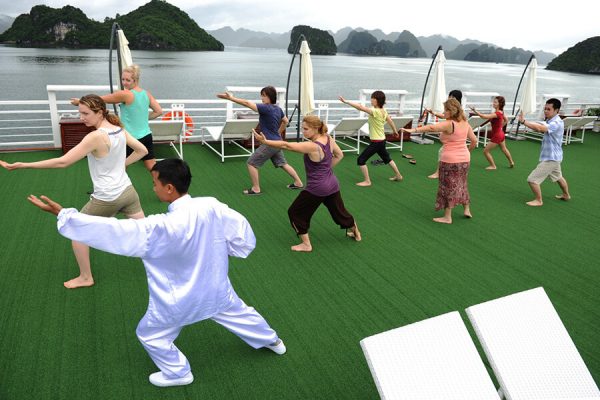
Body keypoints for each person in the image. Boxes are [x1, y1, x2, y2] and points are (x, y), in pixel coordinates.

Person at [26, 158, 286, 387]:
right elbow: (241, 233)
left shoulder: (160, 227)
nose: (153, 187)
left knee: (150, 333)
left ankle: (177, 373)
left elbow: (115, 231)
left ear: (169, 188)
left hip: (178, 300)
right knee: (240, 312)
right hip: (216, 288)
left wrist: (65, 215)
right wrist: (228, 248)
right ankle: (272, 341)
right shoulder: (211, 205)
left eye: (155, 183)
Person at [0, 94, 148, 288]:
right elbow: (142, 151)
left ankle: (86, 277)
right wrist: (121, 167)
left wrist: (23, 164)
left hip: (107, 197)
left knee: (77, 232)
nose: (81, 117)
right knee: (147, 233)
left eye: (85, 113)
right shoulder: (119, 130)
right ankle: (168, 262)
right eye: (80, 112)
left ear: (100, 112)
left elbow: (63, 162)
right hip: (128, 192)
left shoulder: (95, 137)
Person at [254, 115, 361, 252]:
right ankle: (356, 232)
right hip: (332, 184)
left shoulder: (313, 146)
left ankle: (306, 244)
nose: (303, 132)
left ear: (316, 128)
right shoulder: (328, 138)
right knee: (339, 213)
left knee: (295, 212)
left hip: (317, 188)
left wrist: (266, 141)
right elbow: (339, 155)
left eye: (305, 129)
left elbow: (287, 145)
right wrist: (325, 170)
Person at [71, 64, 162, 171]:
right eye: (123, 79)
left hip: (130, 138)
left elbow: (100, 99)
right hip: (146, 136)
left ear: (135, 80)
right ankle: (165, 186)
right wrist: (141, 118)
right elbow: (158, 111)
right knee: (152, 167)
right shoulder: (146, 94)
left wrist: (80, 102)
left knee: (120, 167)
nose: (124, 82)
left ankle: (120, 186)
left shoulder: (126, 94)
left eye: (128, 80)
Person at [402, 98, 477, 224]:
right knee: (462, 183)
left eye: (445, 110)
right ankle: (467, 209)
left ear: (451, 111)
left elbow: (432, 127)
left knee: (447, 187)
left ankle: (447, 217)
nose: (444, 112)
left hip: (450, 160)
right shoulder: (465, 123)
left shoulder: (450, 124)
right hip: (465, 159)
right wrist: (466, 152)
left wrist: (413, 130)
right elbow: (474, 141)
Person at [217, 87, 303, 195]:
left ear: (270, 97)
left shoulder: (265, 108)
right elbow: (285, 121)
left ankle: (256, 189)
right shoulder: (278, 109)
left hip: (269, 143)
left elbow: (247, 103)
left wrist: (231, 98)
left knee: (251, 163)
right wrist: (278, 132)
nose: (262, 98)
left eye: (264, 95)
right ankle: (298, 182)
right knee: (282, 163)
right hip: (278, 142)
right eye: (261, 95)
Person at [338, 91, 404, 186]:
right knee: (387, 158)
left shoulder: (375, 111)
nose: (371, 100)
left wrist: (346, 102)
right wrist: (395, 131)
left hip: (377, 142)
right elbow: (390, 121)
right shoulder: (383, 110)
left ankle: (367, 181)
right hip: (382, 140)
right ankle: (398, 175)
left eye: (373, 98)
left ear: (377, 100)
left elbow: (360, 108)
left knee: (361, 160)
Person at [519, 98, 570, 206]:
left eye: (548, 109)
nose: (545, 111)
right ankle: (566, 195)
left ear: (556, 110)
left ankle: (539, 200)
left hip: (551, 158)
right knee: (558, 177)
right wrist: (526, 121)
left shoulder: (556, 123)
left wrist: (524, 121)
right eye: (545, 109)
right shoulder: (550, 120)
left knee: (532, 179)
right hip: (555, 157)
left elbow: (540, 128)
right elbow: (539, 124)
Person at [425, 89, 463, 179]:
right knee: (450, 154)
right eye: (449, 96)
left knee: (442, 152)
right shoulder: (457, 109)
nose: (449, 98)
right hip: (455, 136)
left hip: (454, 136)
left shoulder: (457, 110)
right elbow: (444, 116)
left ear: (456, 98)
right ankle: (452, 172)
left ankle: (438, 173)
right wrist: (433, 113)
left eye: (451, 96)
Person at [470, 96, 515, 170]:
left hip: (497, 135)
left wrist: (475, 111)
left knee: (485, 151)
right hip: (501, 134)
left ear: (499, 104)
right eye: (493, 101)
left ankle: (493, 166)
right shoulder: (501, 112)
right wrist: (500, 127)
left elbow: (484, 117)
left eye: (495, 102)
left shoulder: (497, 114)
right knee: (504, 149)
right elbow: (506, 120)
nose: (493, 103)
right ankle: (511, 162)